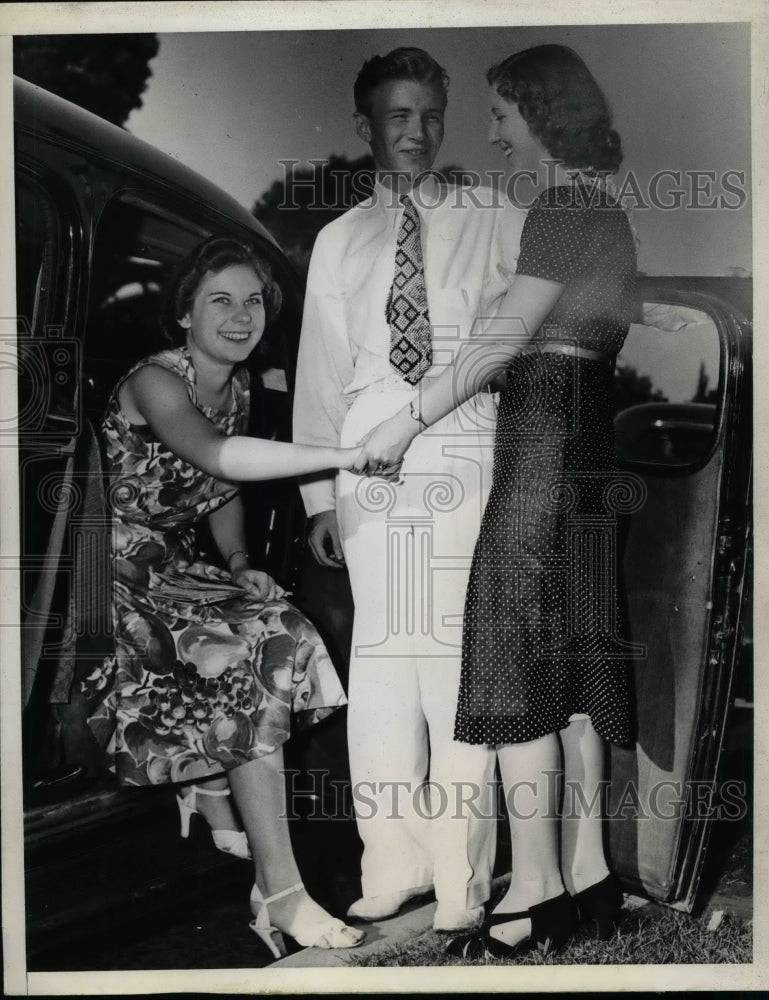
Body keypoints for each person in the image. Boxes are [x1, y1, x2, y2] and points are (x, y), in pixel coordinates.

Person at [354, 44, 638, 958]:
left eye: (502, 115)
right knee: (578, 659)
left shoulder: (561, 204)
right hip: (589, 439)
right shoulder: (603, 209)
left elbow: (500, 340)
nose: (492, 135)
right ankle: (591, 875)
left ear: (538, 111)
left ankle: (538, 888)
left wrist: (403, 423)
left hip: (544, 443)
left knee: (513, 654)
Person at [79, 236, 365, 957]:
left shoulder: (236, 386)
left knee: (282, 627)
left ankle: (214, 793)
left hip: (167, 565)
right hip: (100, 568)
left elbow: (218, 491)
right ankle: (282, 893)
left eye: (253, 302)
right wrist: (342, 455)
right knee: (248, 659)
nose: (240, 317)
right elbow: (211, 455)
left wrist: (238, 561)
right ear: (183, 314)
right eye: (220, 301)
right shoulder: (156, 382)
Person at [293, 47, 524, 933]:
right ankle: (390, 866)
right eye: (397, 115)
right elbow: (319, 371)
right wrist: (319, 495)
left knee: (452, 669)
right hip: (366, 462)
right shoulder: (338, 239)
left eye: (429, 114)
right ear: (365, 127)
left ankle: (463, 881)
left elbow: (531, 325)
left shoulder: (491, 212)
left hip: (462, 445)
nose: (416, 133)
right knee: (383, 667)